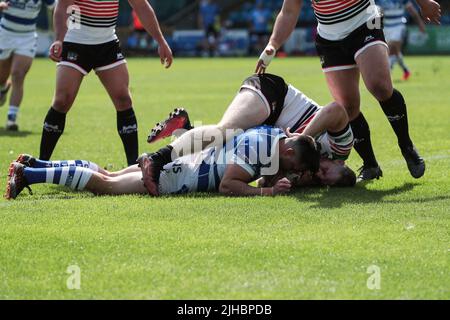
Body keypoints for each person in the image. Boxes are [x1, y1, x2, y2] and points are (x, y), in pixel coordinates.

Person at [255, 0, 441, 181]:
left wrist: (423, 2)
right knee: (348, 108)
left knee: (380, 87)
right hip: (329, 37)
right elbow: (289, 10)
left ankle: (406, 145)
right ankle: (370, 165)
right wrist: (273, 43)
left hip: (365, 21)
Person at [143, 73, 354, 191]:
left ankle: (185, 129)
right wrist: (304, 136)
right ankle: (157, 159)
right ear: (339, 162)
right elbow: (335, 110)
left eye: (321, 180)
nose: (319, 174)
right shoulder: (340, 148)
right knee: (224, 131)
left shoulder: (307, 171)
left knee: (224, 147)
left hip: (264, 131)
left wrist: (279, 181)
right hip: (274, 97)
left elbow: (263, 178)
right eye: (325, 171)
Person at [5, 126, 321, 199]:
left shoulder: (273, 134)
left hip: (190, 158)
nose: (290, 172)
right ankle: (28, 174)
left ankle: (39, 163)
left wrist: (273, 178)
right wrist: (266, 193)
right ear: (290, 153)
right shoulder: (258, 151)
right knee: (107, 185)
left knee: (107, 171)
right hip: (182, 175)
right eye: (293, 167)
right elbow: (228, 185)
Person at [39, 0, 173, 166]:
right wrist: (59, 39)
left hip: (107, 44)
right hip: (75, 41)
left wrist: (161, 41)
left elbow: (141, 6)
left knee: (123, 99)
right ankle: (41, 164)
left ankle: (133, 168)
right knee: (62, 100)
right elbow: (61, 7)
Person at [0, 0, 55, 131]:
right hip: (5, 34)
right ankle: (3, 87)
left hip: (27, 37)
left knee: (18, 75)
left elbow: (56, 8)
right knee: (1, 77)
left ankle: (11, 119)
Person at [377, 0, 427, 80]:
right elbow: (377, 12)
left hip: (398, 26)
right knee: (396, 52)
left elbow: (411, 10)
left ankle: (387, 75)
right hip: (386, 27)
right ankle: (406, 70)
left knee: (390, 49)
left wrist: (420, 23)